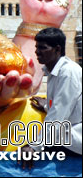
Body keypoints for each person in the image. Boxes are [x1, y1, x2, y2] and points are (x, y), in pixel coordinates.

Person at [20, 28, 82, 169]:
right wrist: (47, 107)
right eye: (36, 47)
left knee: (26, 154)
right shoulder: (54, 71)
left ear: (57, 49)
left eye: (43, 48)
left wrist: (35, 147)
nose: (37, 52)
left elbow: (59, 115)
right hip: (65, 136)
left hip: (74, 140)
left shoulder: (68, 72)